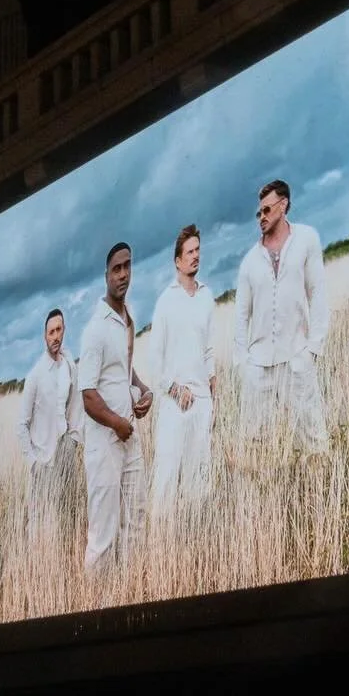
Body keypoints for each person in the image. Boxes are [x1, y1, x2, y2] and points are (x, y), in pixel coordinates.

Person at [234, 178, 329, 452]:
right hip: (259, 367)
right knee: (258, 444)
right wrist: (244, 366)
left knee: (313, 439)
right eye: (258, 213)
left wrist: (313, 348)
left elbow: (318, 293)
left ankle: (316, 489)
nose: (261, 217)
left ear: (284, 205)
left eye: (266, 210)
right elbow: (240, 317)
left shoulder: (306, 239)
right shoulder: (250, 261)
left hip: (297, 356)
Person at [79, 242, 151, 581]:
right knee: (103, 535)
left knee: (135, 523)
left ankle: (130, 597)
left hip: (129, 437)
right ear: (106, 276)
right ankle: (93, 615)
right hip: (105, 442)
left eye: (127, 267)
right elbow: (88, 396)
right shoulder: (95, 328)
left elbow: (125, 371)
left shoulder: (127, 317)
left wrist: (144, 391)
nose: (123, 274)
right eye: (116, 269)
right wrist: (117, 423)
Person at [146, 224, 216, 512]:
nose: (195, 256)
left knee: (199, 480)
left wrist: (213, 391)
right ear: (177, 260)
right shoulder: (166, 301)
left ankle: (194, 542)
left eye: (198, 250)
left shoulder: (207, 296)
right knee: (166, 481)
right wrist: (175, 390)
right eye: (189, 252)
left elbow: (209, 350)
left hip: (202, 402)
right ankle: (161, 549)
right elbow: (154, 358)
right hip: (175, 406)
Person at [17, 308, 82, 553]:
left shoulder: (69, 365)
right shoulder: (35, 376)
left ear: (64, 330)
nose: (56, 336)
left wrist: (74, 440)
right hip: (43, 459)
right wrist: (33, 462)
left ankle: (67, 556)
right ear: (44, 336)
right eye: (51, 332)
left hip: (65, 452)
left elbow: (76, 405)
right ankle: (40, 563)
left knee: (68, 513)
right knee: (40, 521)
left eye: (59, 330)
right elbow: (21, 425)